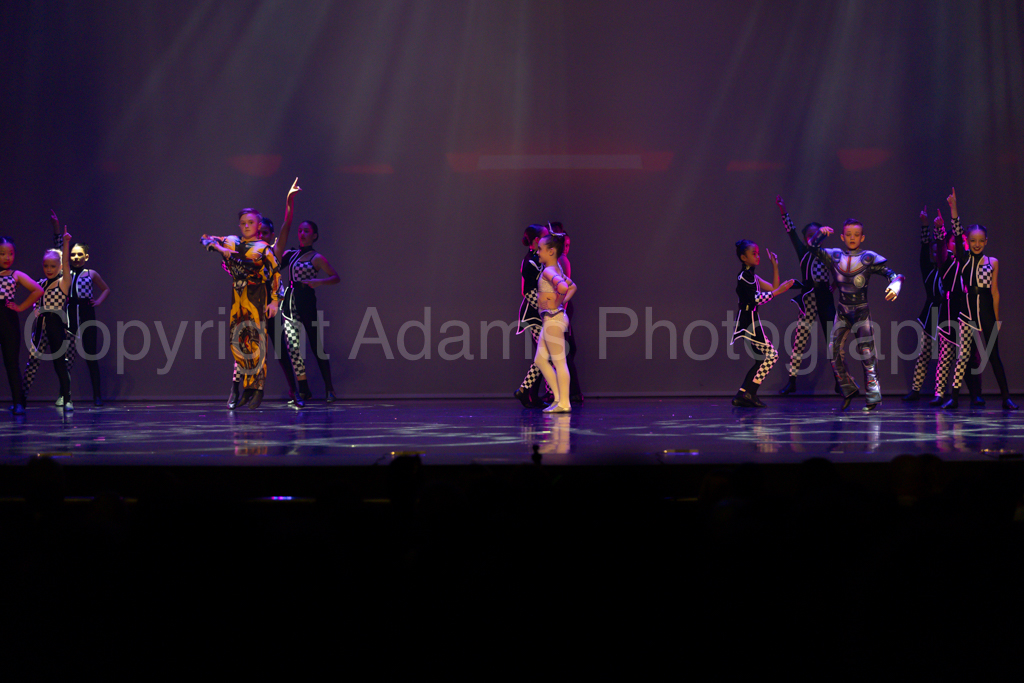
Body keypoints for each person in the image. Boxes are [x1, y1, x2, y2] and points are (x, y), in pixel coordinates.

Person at [808, 220, 903, 410]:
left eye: (856, 235)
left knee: (867, 353)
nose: (852, 238)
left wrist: (896, 284)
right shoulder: (835, 256)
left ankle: (873, 397)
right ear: (842, 237)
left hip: (861, 311)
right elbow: (812, 247)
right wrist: (819, 234)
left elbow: (891, 273)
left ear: (862, 237)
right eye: (848, 234)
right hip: (843, 311)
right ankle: (848, 388)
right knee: (833, 350)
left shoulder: (868, 258)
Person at [202, 193, 285, 409]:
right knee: (238, 342)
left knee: (256, 341)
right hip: (238, 295)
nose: (247, 226)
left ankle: (258, 388)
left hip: (256, 295)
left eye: (251, 223)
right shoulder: (232, 241)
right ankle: (248, 387)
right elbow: (206, 238)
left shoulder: (263, 248)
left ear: (259, 225)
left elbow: (275, 274)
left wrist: (275, 301)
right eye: (243, 223)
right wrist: (213, 245)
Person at [943, 187, 1017, 410]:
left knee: (994, 355)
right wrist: (954, 209)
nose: (977, 244)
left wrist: (995, 319)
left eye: (980, 241)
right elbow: (957, 233)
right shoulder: (964, 259)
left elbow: (994, 291)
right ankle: (954, 397)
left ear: (985, 241)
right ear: (968, 241)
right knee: (963, 356)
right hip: (967, 312)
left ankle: (1006, 397)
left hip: (986, 311)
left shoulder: (992, 262)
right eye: (973, 240)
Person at [227, 215, 298, 403]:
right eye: (259, 233)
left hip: (269, 308)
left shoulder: (273, 252)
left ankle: (294, 391)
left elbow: (286, 226)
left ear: (271, 235)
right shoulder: (248, 252)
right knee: (244, 347)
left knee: (281, 349)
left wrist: (289, 208)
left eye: (265, 233)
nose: (261, 236)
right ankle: (235, 390)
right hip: (250, 305)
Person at [273, 211, 340, 406]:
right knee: (293, 346)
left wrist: (319, 282)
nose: (302, 234)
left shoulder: (316, 257)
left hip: (306, 301)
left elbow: (335, 277)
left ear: (314, 235)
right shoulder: (291, 254)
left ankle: (329, 388)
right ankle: (303, 389)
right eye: (300, 230)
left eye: (306, 231)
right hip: (290, 301)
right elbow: (274, 262)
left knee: (315, 345)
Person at [775, 196, 837, 395]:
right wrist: (784, 211)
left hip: (825, 299)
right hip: (809, 298)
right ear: (805, 239)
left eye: (817, 234)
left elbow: (838, 272)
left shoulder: (827, 254)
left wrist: (834, 284)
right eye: (810, 235)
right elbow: (791, 231)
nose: (813, 238)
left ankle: (840, 380)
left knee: (832, 340)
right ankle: (792, 381)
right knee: (800, 340)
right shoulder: (803, 251)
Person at [50, 211, 110, 406]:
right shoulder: (66, 272)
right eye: (73, 254)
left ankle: (97, 395)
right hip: (70, 311)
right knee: (67, 356)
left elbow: (106, 288)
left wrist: (98, 301)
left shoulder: (91, 273)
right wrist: (57, 228)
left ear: (86, 257)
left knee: (91, 354)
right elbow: (59, 250)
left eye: (79, 254)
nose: (76, 257)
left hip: (86, 312)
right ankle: (64, 395)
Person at [731, 240, 795, 407]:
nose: (758, 256)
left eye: (758, 253)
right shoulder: (744, 277)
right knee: (771, 356)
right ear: (744, 257)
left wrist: (775, 266)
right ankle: (750, 393)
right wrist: (777, 292)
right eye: (754, 254)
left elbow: (773, 287)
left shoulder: (752, 277)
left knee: (761, 359)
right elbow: (756, 299)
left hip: (751, 321)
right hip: (748, 323)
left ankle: (742, 394)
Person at [23, 226, 74, 410]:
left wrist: (66, 243)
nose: (49, 269)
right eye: (46, 266)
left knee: (60, 364)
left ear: (59, 267)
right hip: (41, 326)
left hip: (56, 325)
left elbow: (66, 262)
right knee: (32, 363)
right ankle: (21, 399)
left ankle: (67, 399)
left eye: (53, 266)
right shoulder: (41, 284)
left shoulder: (63, 282)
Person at [903, 207, 946, 401]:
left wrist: (939, 230)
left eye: (939, 250)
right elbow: (924, 248)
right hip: (930, 313)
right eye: (933, 251)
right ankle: (916, 390)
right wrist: (925, 226)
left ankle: (940, 393)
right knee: (925, 353)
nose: (936, 253)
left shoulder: (949, 268)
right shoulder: (928, 269)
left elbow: (941, 245)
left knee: (946, 355)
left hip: (947, 312)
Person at [533, 231, 576, 412]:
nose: (538, 252)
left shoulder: (549, 271)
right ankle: (558, 399)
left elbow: (564, 287)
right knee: (540, 360)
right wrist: (560, 302)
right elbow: (573, 287)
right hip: (552, 318)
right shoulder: (556, 268)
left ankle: (564, 403)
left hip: (553, 319)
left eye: (540, 249)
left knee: (559, 362)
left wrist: (557, 301)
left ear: (551, 251)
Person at [0, 236, 43, 414]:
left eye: (10, 253)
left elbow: (38, 290)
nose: (7, 257)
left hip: (8, 321)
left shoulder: (15, 275)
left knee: (11, 363)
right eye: (2, 253)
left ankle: (18, 402)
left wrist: (20, 307)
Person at [514, 224, 548, 408]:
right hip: (534, 315)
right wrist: (545, 310)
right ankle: (526, 391)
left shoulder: (538, 258)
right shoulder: (530, 261)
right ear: (536, 240)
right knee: (545, 354)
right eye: (545, 237)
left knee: (545, 354)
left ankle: (526, 391)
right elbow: (527, 291)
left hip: (539, 312)